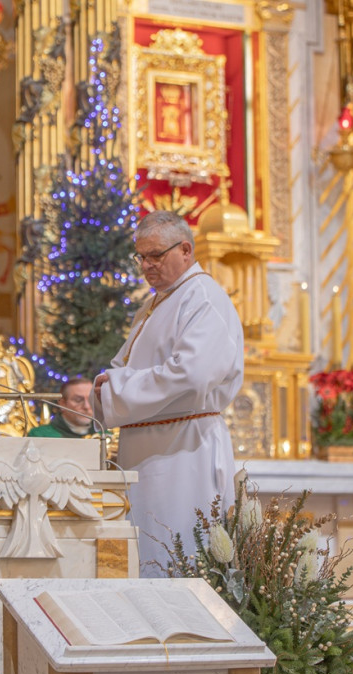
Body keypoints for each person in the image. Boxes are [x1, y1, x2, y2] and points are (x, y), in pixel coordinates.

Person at [93, 210, 244, 576]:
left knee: (178, 556)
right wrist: (110, 384)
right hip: (150, 448)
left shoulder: (203, 298)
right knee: (145, 558)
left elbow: (191, 374)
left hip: (183, 451)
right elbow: (132, 364)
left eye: (155, 255)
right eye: (141, 256)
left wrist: (117, 388)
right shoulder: (155, 303)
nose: (146, 265)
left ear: (186, 250)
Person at [27, 377, 100, 438]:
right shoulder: (40, 436)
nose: (86, 406)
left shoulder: (104, 434)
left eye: (91, 399)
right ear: (62, 403)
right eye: (78, 400)